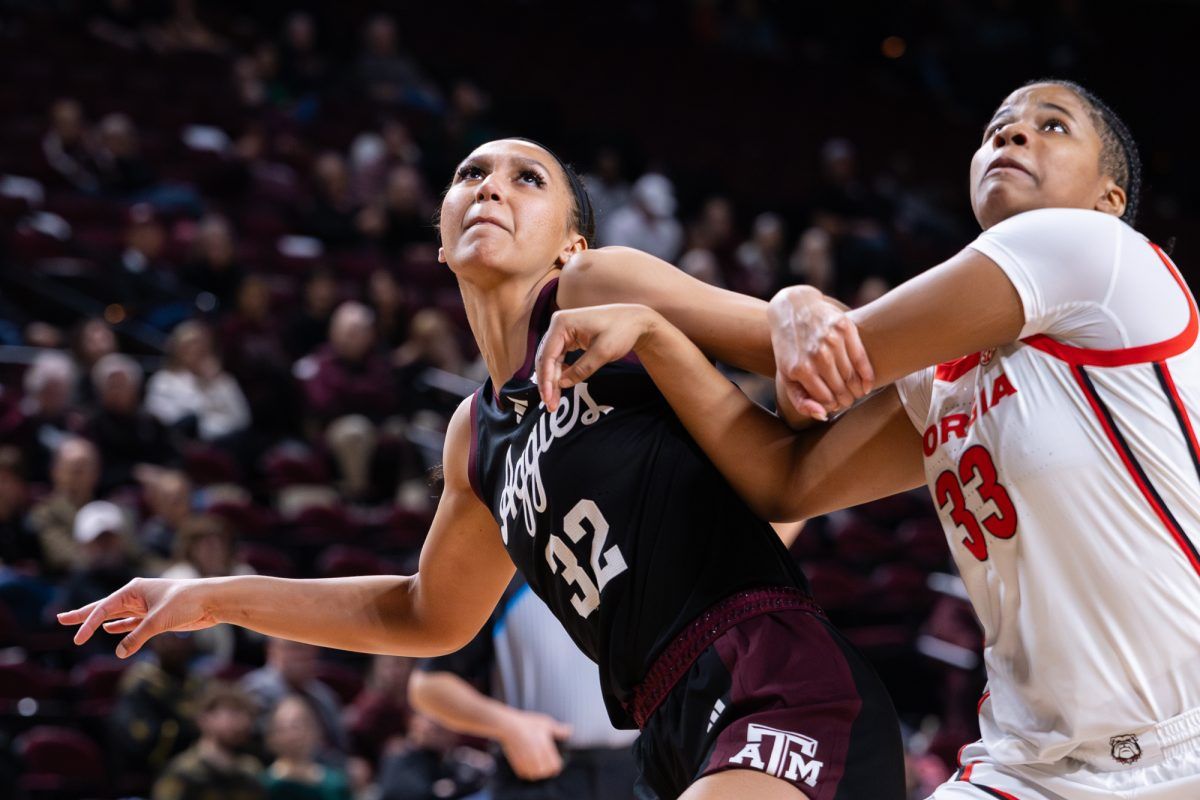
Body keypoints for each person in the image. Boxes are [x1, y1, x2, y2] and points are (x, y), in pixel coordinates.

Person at [58, 138, 906, 800]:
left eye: (527, 178)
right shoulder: (476, 435)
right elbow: (424, 614)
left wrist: (800, 304)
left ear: (572, 243)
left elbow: (802, 347)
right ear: (439, 236)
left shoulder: (592, 290)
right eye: (471, 173)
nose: (493, 186)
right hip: (668, 727)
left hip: (771, 673)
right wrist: (212, 599)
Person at [538, 80, 1200, 800]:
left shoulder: (1096, 251)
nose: (1011, 136)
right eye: (997, 128)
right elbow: (785, 482)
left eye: (1052, 126)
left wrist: (793, 306)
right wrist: (661, 336)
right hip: (1029, 765)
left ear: (1109, 198)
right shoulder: (938, 375)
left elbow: (819, 355)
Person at [409, 575, 640, 799]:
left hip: (639, 771)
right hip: (539, 775)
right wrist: (507, 725)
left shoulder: (638, 562)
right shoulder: (502, 575)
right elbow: (425, 685)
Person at [152, 682, 264, 800]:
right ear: (204, 718)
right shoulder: (184, 771)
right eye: (233, 713)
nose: (243, 722)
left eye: (248, 715)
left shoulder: (250, 770)